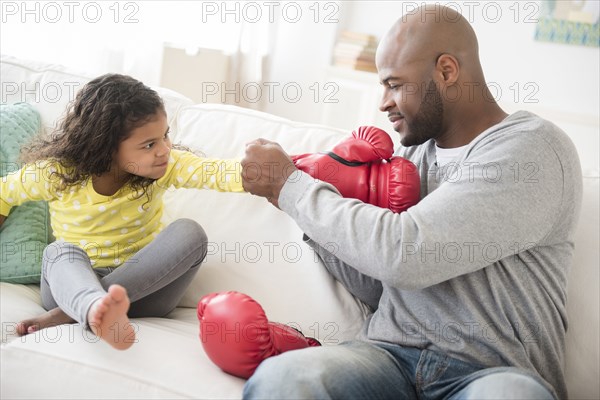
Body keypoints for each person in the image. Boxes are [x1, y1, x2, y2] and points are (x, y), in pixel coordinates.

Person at [240, 5, 582, 400]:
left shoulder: (532, 149)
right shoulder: (412, 161)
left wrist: (293, 189)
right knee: (283, 379)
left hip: (491, 373)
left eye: (394, 84)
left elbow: (406, 254)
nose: (383, 102)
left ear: (447, 71)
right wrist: (307, 208)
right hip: (387, 360)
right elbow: (378, 285)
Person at [0, 74, 245, 350]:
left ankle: (75, 314)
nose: (164, 150)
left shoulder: (163, 167)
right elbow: (3, 194)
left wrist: (266, 172)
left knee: (190, 232)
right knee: (58, 252)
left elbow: (214, 173)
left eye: (165, 135)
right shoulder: (57, 174)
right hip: (71, 287)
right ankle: (91, 307)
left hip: (145, 292)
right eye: (149, 144)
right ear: (105, 146)